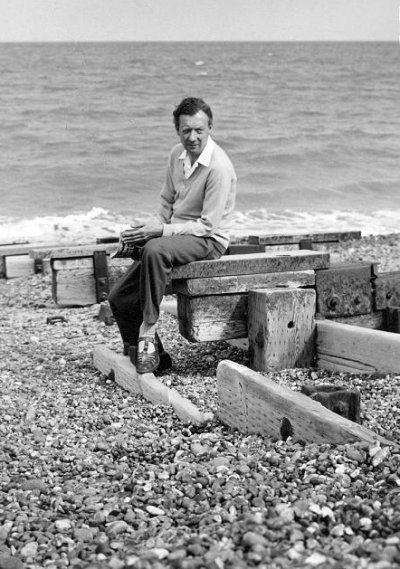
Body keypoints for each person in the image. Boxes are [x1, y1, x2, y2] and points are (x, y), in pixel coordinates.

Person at [108, 96, 237, 374]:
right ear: (177, 130)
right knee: (119, 296)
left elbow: (208, 227)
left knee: (155, 249)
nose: (192, 137)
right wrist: (149, 227)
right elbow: (166, 203)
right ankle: (153, 356)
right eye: (186, 130)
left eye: (199, 130)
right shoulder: (175, 155)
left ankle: (148, 327)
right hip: (174, 237)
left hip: (209, 241)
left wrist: (162, 231)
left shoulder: (219, 167)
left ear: (210, 127)